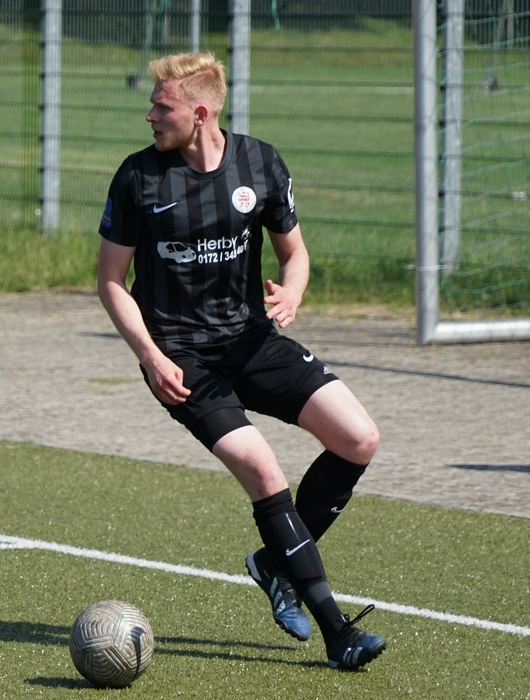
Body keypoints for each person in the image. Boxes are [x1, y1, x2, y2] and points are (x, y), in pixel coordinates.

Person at [96, 52, 385, 670]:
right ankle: (338, 632)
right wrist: (149, 356)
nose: (150, 116)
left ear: (200, 113)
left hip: (252, 340)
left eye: (162, 106)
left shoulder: (261, 162)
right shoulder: (138, 177)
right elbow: (111, 281)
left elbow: (295, 253)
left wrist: (293, 292)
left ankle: (274, 563)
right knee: (262, 467)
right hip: (181, 358)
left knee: (359, 438)